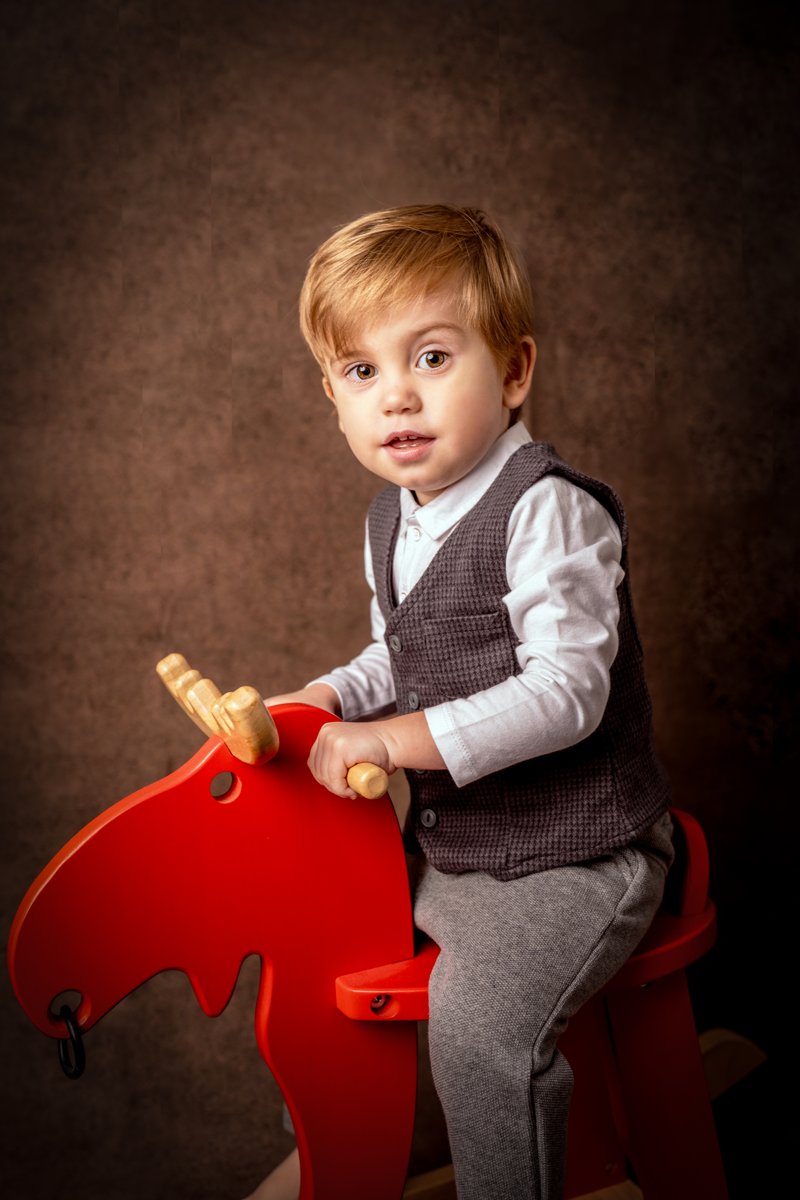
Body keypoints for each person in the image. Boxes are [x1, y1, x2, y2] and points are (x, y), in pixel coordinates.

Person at [245, 204, 673, 1200]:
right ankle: (340, 1160)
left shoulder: (546, 509)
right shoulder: (392, 516)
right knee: (318, 969)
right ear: (332, 398)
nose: (395, 395)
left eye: (430, 358)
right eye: (361, 373)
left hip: (575, 852)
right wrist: (323, 697)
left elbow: (567, 692)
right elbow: (405, 654)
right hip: (458, 849)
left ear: (512, 371)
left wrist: (390, 741)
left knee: (482, 1028)